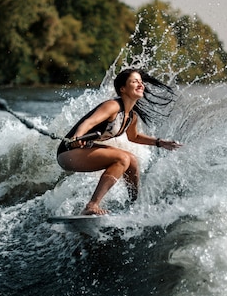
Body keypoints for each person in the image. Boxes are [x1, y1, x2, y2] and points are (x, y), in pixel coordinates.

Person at [57, 68, 181, 215]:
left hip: (84, 150)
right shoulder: (112, 106)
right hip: (68, 152)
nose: (140, 85)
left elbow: (134, 137)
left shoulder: (131, 117)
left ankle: (134, 205)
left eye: (141, 82)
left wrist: (160, 142)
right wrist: (76, 137)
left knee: (132, 160)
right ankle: (92, 205)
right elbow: (89, 123)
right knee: (122, 159)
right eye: (135, 81)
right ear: (123, 88)